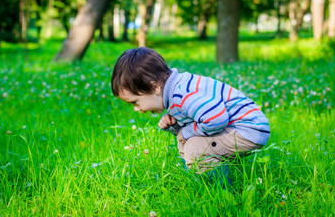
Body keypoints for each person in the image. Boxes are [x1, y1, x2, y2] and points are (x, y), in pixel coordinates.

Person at [111, 47, 270, 186]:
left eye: (135, 102)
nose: (136, 110)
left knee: (195, 148)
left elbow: (217, 118)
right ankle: (198, 180)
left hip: (248, 130)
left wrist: (187, 132)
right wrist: (175, 127)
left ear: (154, 87)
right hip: (238, 127)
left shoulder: (183, 95)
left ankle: (220, 191)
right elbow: (198, 120)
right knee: (185, 142)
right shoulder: (175, 91)